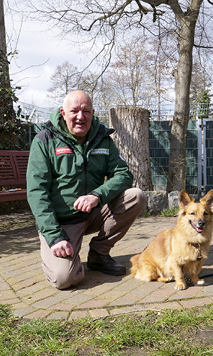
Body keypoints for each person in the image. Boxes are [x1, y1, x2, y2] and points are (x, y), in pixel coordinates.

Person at [27, 90, 146, 290]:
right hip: (62, 222)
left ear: (92, 113)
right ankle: (63, 256)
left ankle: (99, 253)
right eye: (74, 111)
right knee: (64, 279)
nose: (80, 117)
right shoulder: (45, 140)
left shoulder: (103, 139)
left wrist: (96, 196)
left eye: (86, 111)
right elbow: (37, 192)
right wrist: (54, 236)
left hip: (93, 213)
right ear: (63, 113)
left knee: (135, 196)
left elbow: (124, 174)